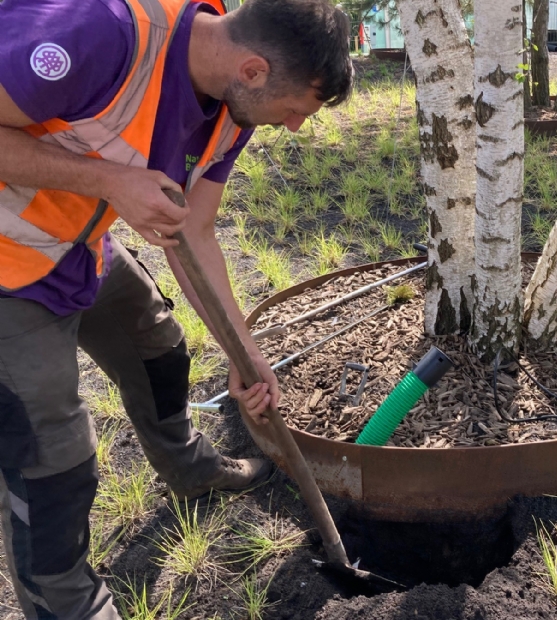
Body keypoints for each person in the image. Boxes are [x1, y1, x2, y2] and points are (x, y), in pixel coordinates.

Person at [0, 0, 352, 617]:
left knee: (157, 347)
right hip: (9, 263)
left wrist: (243, 352)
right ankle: (68, 604)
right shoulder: (101, 33)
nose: (296, 126)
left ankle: (190, 469)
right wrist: (109, 181)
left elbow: (198, 229)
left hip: (75, 242)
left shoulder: (234, 107)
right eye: (297, 109)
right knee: (53, 452)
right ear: (253, 69)